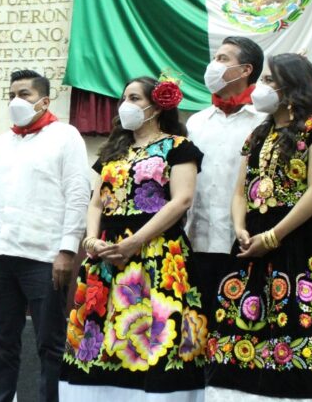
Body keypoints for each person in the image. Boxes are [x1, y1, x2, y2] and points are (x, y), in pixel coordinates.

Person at [205, 54, 312, 400]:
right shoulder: (257, 134)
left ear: (292, 87)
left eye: (268, 81)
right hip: (253, 240)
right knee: (246, 318)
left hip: (302, 238)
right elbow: (239, 192)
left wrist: (274, 236)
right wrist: (240, 227)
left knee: (300, 318)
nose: (260, 88)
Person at [59, 76, 206, 400]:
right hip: (106, 253)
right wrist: (92, 241)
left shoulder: (179, 147)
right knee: (102, 333)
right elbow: (96, 201)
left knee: (153, 332)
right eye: (125, 97)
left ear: (156, 106)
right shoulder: (113, 150)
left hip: (156, 248)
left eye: (135, 98)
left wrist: (133, 242)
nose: (127, 105)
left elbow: (181, 200)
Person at [0, 70, 91, 402]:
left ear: (44, 101)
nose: (15, 101)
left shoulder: (66, 136)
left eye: (23, 94)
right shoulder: (1, 144)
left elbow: (78, 194)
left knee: (49, 345)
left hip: (45, 258)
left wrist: (67, 250)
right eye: (11, 94)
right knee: (1, 343)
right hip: (0, 258)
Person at [186, 36, 266, 320]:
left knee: (239, 327)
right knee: (196, 324)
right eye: (214, 58)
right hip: (196, 239)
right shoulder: (196, 122)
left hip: (244, 241)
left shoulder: (263, 120)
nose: (213, 65)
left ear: (246, 70)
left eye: (222, 59)